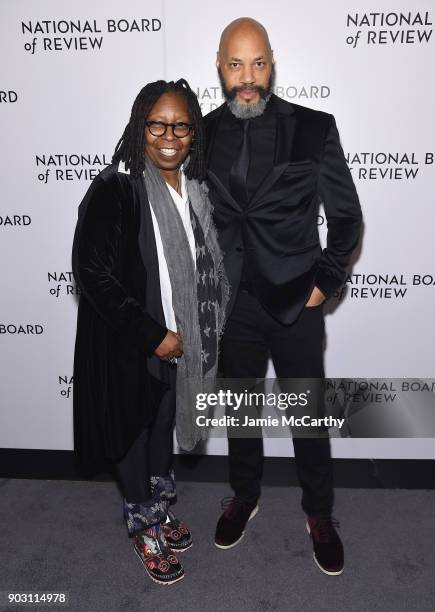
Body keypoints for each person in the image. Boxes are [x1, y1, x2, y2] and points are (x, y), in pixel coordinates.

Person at [204, 18, 362, 576]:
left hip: (298, 299)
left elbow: (346, 218)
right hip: (232, 306)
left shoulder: (314, 128)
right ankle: (244, 495)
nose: (247, 79)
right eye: (235, 64)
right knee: (239, 412)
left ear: (272, 62)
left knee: (308, 415)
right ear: (219, 65)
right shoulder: (199, 134)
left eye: (258, 64)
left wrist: (326, 281)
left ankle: (319, 512)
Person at [72, 79, 229, 585]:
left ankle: (160, 507)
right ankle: (142, 523)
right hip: (131, 344)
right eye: (157, 123)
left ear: (193, 133)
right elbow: (93, 273)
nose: (169, 135)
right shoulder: (116, 187)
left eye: (181, 125)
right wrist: (151, 334)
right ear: (141, 127)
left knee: (163, 425)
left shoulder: (195, 188)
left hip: (182, 340)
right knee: (134, 432)